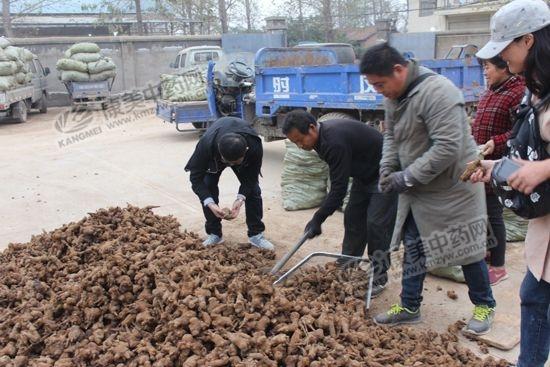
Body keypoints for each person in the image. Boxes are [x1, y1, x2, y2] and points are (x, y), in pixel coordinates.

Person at [361, 43, 496, 335]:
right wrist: (387, 169)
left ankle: (485, 305)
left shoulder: (439, 92)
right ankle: (410, 307)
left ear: (398, 70)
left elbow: (448, 148)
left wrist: (406, 177)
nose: (378, 91)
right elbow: (391, 138)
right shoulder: (394, 96)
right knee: (414, 247)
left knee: (467, 248)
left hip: (453, 187)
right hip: (419, 189)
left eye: (380, 84)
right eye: (374, 85)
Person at [473, 0, 550, 364]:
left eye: (505, 48)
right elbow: (528, 152)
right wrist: (494, 167)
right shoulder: (535, 91)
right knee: (534, 297)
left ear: (528, 41)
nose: (501, 58)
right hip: (546, 224)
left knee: (535, 298)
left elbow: (540, 164)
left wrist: (544, 170)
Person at [282, 111, 398, 296]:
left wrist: (318, 218)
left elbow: (338, 189)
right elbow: (339, 179)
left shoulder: (333, 142)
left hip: (385, 173)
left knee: (376, 224)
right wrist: (318, 219)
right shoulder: (320, 140)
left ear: (312, 128)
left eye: (300, 140)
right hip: (364, 175)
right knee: (352, 218)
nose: (300, 146)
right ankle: (348, 264)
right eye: (295, 143)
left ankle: (379, 277)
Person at [472, 55, 525, 285]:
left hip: (499, 163)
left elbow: (520, 131)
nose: (485, 71)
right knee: (481, 212)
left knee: (493, 215)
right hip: (481, 160)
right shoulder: (491, 91)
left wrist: (497, 141)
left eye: (488, 66)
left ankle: (499, 265)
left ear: (504, 67)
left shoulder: (517, 93)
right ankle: (486, 251)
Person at [185, 116, 274, 250]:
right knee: (208, 185)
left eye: (235, 162)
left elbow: (251, 178)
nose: (231, 165)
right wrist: (210, 203)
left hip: (238, 154)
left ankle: (256, 234)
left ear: (245, 151)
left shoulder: (254, 145)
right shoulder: (206, 145)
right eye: (228, 162)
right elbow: (196, 179)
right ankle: (214, 233)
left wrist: (240, 199)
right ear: (220, 154)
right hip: (215, 151)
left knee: (253, 190)